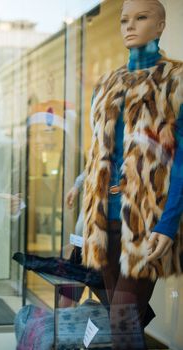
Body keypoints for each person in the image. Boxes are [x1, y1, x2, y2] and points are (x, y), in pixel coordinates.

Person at [81, 0, 183, 347]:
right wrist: (81, 185)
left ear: (160, 25)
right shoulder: (107, 84)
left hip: (147, 221)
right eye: (125, 19)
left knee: (122, 319)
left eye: (141, 18)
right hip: (103, 220)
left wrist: (168, 224)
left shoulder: (175, 80)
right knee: (120, 315)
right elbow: (99, 151)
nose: (129, 26)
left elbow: (182, 157)